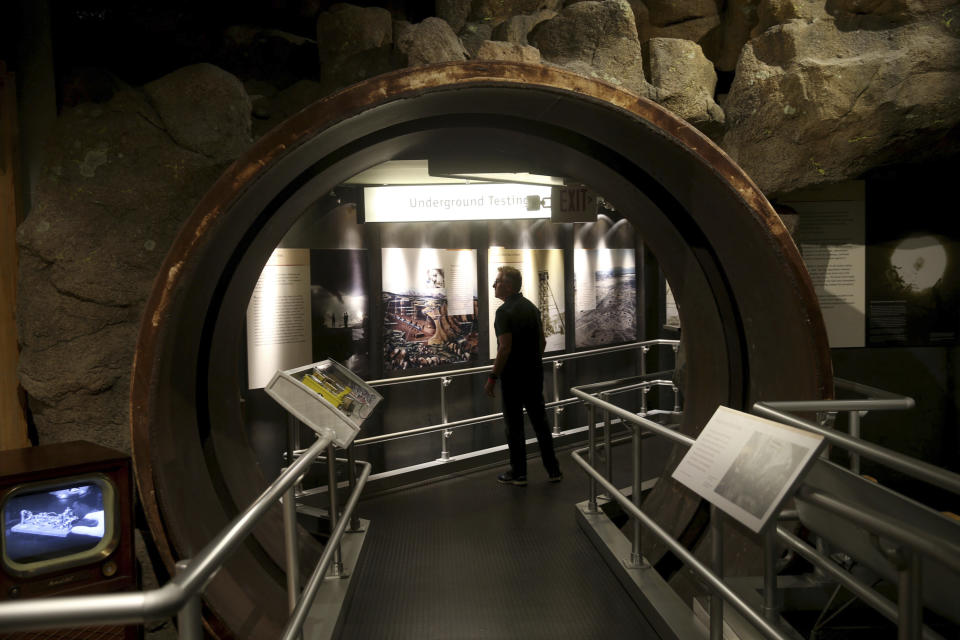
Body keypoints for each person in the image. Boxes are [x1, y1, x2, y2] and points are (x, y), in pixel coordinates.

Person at [485, 266, 562, 486]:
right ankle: (554, 470)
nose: (494, 285)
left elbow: (504, 348)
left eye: (497, 281)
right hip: (533, 375)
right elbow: (542, 342)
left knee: (514, 427)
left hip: (512, 379)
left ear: (508, 286)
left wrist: (492, 377)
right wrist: (531, 362)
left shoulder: (504, 312)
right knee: (541, 423)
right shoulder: (531, 308)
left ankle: (519, 473)